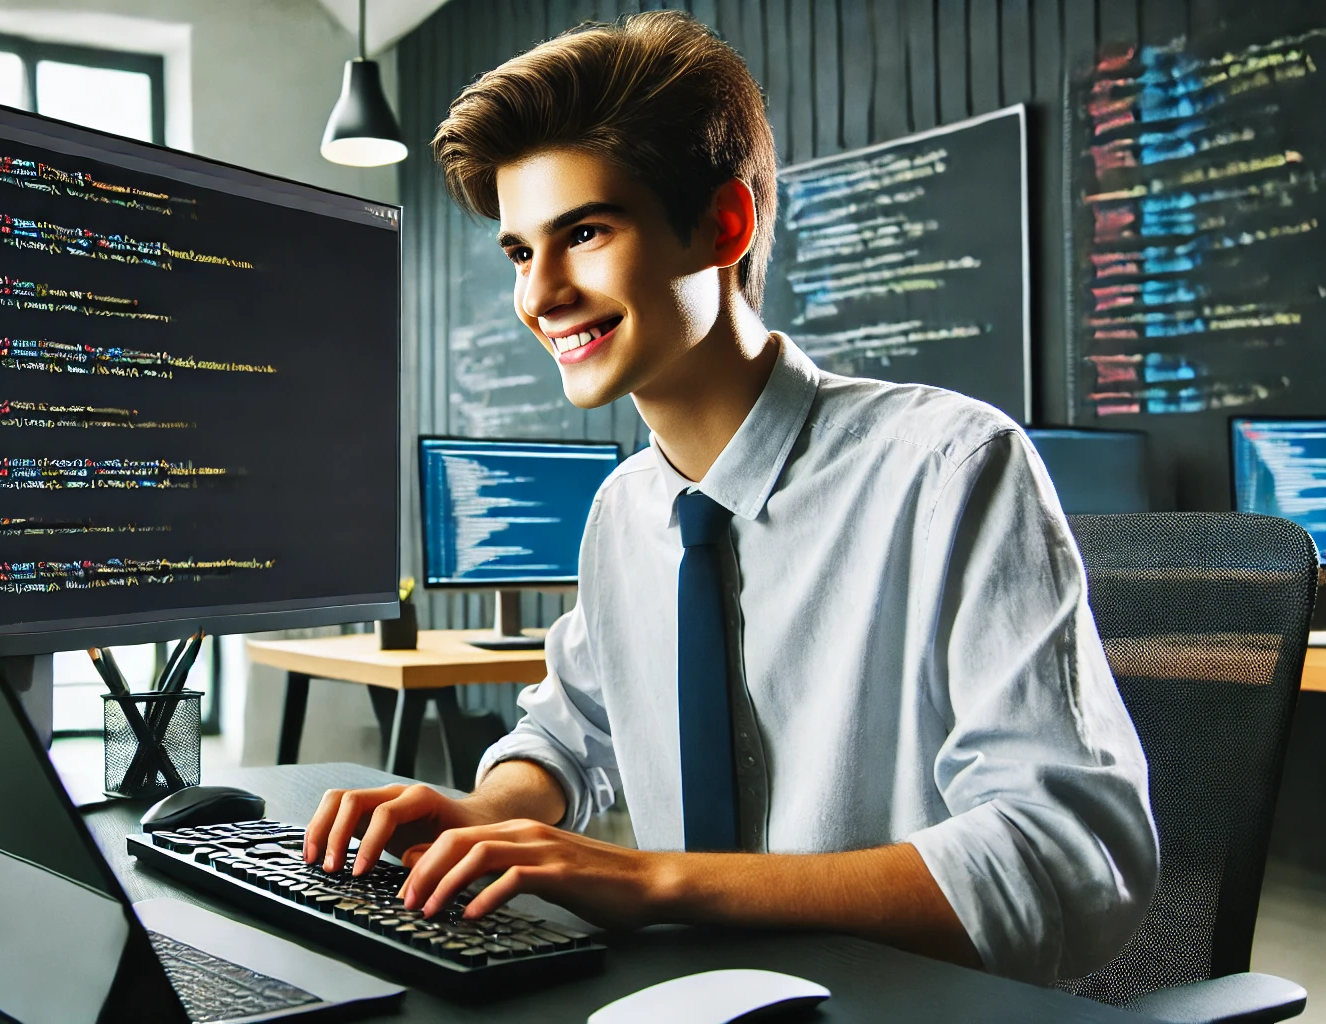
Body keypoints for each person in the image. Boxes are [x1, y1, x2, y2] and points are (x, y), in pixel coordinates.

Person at [303, 10, 1157, 984]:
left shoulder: (950, 467)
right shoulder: (627, 510)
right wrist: (487, 813)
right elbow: (569, 729)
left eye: (583, 232)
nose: (538, 296)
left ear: (723, 225)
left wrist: (657, 882)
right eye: (517, 252)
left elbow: (1068, 858)